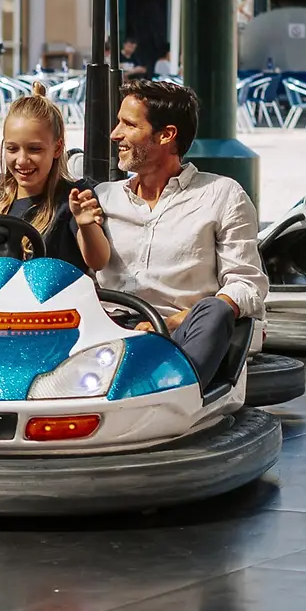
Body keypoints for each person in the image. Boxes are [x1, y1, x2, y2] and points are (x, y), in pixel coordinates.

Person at [82, 80, 267, 386]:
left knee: (217, 310)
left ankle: (175, 389)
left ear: (166, 135)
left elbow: (247, 285)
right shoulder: (102, 197)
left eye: (129, 125)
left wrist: (172, 322)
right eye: (118, 123)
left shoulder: (222, 195)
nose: (115, 134)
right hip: (107, 328)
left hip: (180, 333)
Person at [0, 83, 110, 274]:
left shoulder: (71, 201)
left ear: (57, 148)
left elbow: (98, 262)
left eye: (35, 149)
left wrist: (86, 225)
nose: (22, 160)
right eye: (12, 149)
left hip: (54, 302)